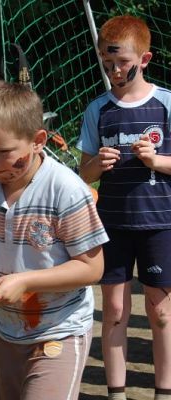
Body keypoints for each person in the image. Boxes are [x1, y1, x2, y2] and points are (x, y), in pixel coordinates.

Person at [0, 80, 108, 400]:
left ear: (38, 141)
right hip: (6, 329)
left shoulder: (66, 190)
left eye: (4, 152)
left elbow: (92, 268)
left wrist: (26, 281)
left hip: (61, 328)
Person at [77, 15, 171, 400]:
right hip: (112, 225)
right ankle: (117, 393)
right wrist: (96, 165)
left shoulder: (166, 103)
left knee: (160, 312)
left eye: (122, 62)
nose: (114, 70)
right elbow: (82, 173)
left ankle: (163, 392)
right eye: (107, 62)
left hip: (160, 223)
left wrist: (156, 161)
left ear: (144, 59)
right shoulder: (97, 109)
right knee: (114, 310)